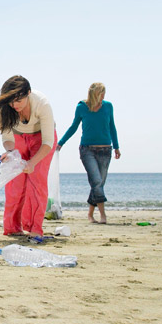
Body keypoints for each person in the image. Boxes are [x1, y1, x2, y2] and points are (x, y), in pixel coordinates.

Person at [0, 75, 56, 242]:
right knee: (15, 182)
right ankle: (13, 228)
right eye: (11, 101)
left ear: (28, 93)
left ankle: (34, 228)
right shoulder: (5, 108)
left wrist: (32, 163)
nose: (15, 105)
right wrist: (11, 152)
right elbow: (7, 138)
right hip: (18, 139)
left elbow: (48, 142)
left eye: (19, 100)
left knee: (36, 181)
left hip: (42, 140)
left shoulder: (42, 104)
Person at [57, 82, 121, 224]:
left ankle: (90, 214)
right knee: (97, 181)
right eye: (101, 92)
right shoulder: (82, 107)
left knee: (98, 184)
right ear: (94, 93)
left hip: (106, 150)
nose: (104, 95)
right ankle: (103, 215)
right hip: (87, 150)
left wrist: (116, 147)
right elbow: (74, 126)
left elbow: (112, 127)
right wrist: (61, 142)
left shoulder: (108, 106)